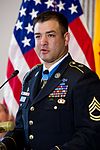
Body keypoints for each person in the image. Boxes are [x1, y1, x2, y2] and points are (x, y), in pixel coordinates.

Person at [0, 11, 100, 150]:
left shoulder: (82, 78)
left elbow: (91, 134)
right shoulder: (30, 77)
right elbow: (21, 129)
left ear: (66, 38)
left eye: (50, 35)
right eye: (38, 36)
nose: (43, 42)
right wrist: (5, 145)